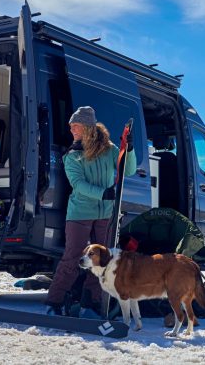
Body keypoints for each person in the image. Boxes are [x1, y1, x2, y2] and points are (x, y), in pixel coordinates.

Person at [45, 106, 136, 315]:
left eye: (75, 126)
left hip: (105, 214)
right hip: (80, 214)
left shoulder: (110, 149)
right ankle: (53, 302)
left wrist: (129, 150)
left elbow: (128, 170)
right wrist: (103, 193)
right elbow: (78, 185)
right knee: (73, 256)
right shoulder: (72, 156)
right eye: (71, 127)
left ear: (87, 127)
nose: (72, 131)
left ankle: (90, 303)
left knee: (101, 259)